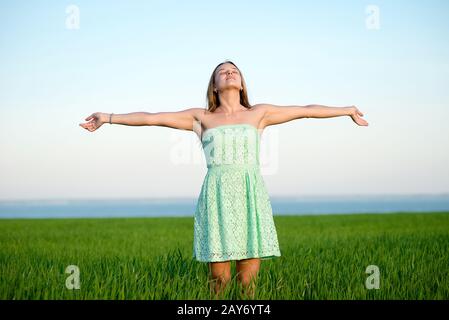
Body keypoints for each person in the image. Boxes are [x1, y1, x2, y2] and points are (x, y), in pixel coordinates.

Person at [79, 60, 369, 299]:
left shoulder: (260, 113)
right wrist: (108, 117)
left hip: (249, 192)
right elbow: (152, 117)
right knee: (219, 280)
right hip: (216, 194)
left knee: (248, 284)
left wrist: (347, 111)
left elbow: (306, 111)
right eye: (222, 71)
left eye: (235, 71)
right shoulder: (200, 117)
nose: (230, 73)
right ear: (215, 86)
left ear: (241, 84)